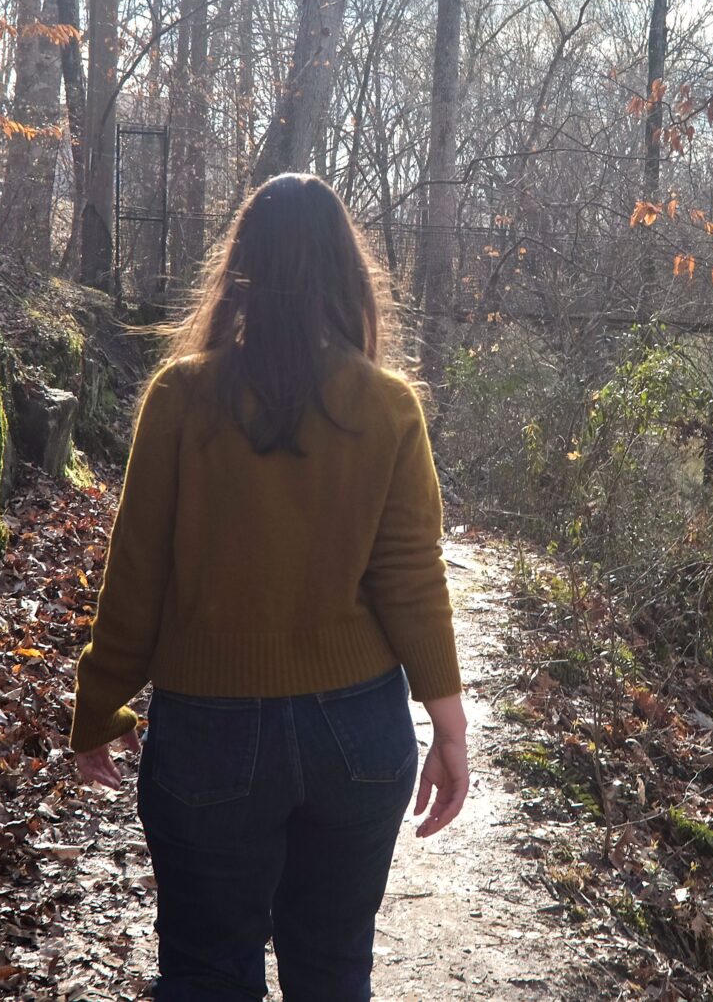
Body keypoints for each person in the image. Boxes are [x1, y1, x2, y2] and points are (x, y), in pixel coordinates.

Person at [67, 172, 469, 1002]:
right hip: (357, 734)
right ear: (346, 276)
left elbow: (137, 566)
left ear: (239, 269)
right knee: (331, 971)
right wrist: (448, 721)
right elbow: (411, 574)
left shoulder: (180, 398)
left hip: (209, 731)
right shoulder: (387, 405)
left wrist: (97, 706)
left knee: (208, 972)